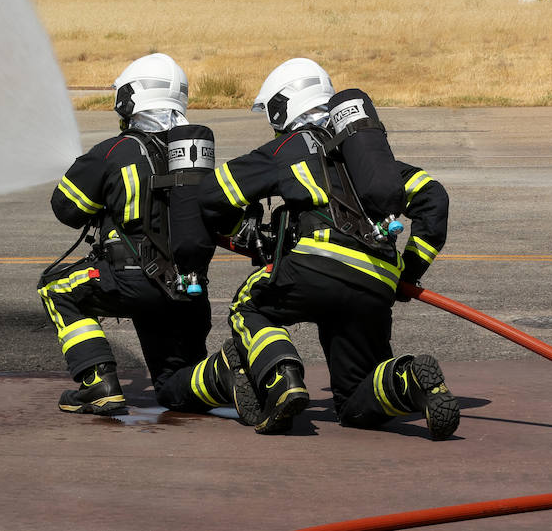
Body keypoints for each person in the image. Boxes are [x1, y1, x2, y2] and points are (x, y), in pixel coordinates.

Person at [184, 57, 459, 438]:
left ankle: (281, 378)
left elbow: (213, 194)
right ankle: (409, 380)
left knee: (249, 307)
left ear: (282, 108)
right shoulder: (371, 161)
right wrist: (408, 271)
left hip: (316, 266)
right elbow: (433, 198)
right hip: (375, 283)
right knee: (355, 400)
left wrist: (245, 232)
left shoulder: (286, 148)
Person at [40, 53, 235, 415]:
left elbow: (66, 209)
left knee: (56, 288)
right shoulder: (192, 158)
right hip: (189, 291)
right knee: (174, 388)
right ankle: (227, 374)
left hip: (134, 283)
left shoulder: (115, 151)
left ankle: (97, 382)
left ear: (130, 99)